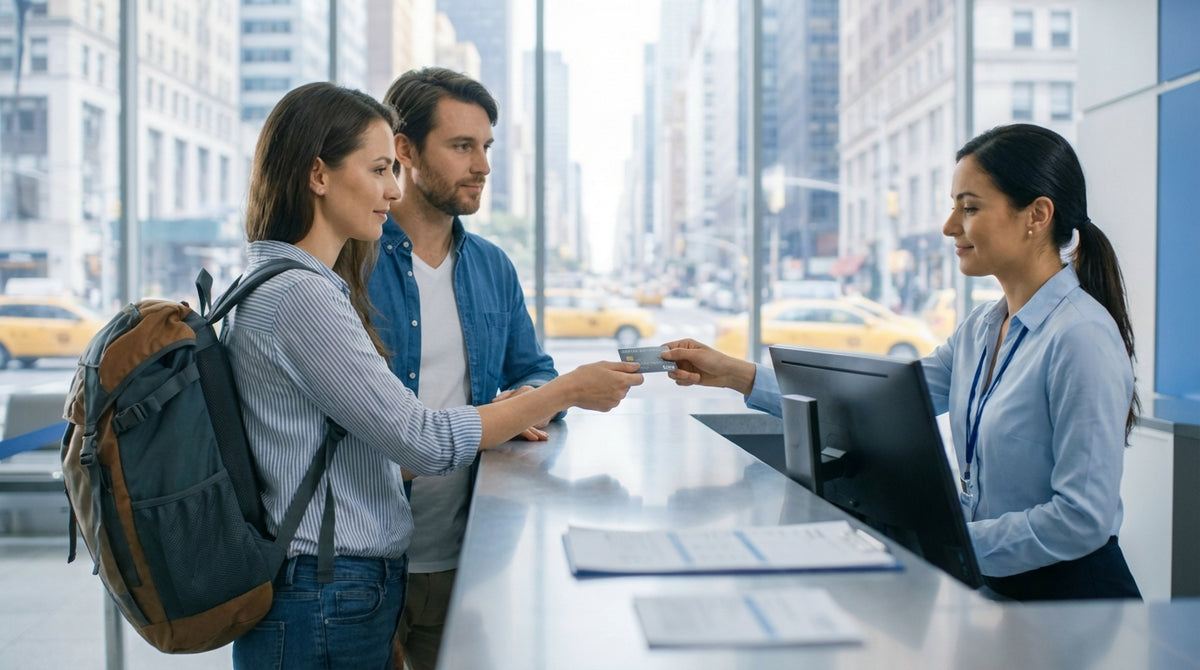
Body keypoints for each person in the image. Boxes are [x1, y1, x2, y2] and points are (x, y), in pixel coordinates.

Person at [225, 81, 643, 670]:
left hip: (365, 575)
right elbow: (419, 439)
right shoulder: (304, 294)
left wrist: (533, 396)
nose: (391, 190)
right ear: (319, 176)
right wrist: (566, 390)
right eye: (378, 169)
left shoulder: (292, 282)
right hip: (327, 584)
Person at [662, 123, 1141, 602]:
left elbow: (1082, 519)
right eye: (953, 206)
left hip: (1075, 604)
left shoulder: (1080, 337)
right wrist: (734, 374)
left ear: (1036, 215)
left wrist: (946, 546)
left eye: (970, 208)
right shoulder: (980, 328)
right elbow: (875, 402)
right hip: (997, 588)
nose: (950, 226)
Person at [365, 67, 556, 670]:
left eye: (487, 147)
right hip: (364, 567)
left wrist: (523, 399)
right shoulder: (349, 266)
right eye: (462, 146)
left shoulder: (494, 267)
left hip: (465, 556)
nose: (483, 166)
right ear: (405, 151)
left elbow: (538, 371)